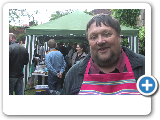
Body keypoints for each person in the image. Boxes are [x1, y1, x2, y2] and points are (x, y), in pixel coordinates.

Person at [62, 14, 145, 95]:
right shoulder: (73, 74)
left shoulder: (145, 67)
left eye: (106, 34)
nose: (100, 41)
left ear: (119, 36)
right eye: (93, 37)